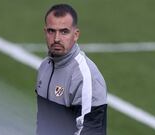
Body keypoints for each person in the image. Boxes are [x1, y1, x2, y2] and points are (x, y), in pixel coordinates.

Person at [35, 3, 107, 135]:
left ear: (76, 34)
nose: (56, 38)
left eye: (64, 32)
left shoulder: (84, 76)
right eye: (52, 31)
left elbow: (89, 131)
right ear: (45, 32)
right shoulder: (45, 67)